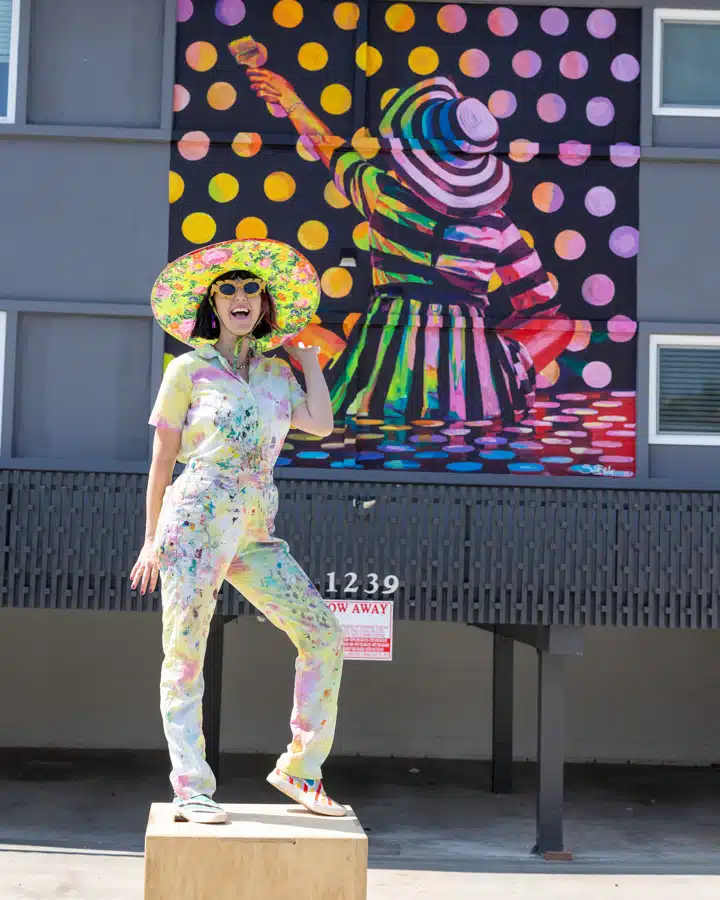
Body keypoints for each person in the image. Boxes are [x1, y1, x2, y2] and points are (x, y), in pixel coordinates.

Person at [130, 238, 346, 824]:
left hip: (254, 528)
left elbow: (321, 425)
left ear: (265, 303)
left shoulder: (279, 374)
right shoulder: (188, 369)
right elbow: (161, 460)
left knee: (324, 633)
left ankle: (301, 769)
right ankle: (191, 788)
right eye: (228, 288)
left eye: (251, 288)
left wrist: (308, 363)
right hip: (194, 521)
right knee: (185, 654)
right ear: (213, 303)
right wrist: (150, 539)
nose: (240, 297)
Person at [246, 68, 573, 430]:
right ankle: (482, 373)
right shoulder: (497, 225)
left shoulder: (381, 195)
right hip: (470, 388)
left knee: (297, 329)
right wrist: (491, 353)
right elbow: (543, 308)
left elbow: (328, 148)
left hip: (380, 374)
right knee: (562, 324)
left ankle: (364, 374)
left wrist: (291, 101)